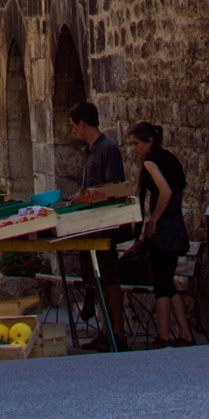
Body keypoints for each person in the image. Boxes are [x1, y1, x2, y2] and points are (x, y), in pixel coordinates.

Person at [68, 101, 129, 351]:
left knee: (110, 280)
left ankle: (117, 332)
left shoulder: (108, 149)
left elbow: (114, 188)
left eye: (74, 127)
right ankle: (106, 330)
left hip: (106, 228)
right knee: (97, 280)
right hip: (91, 226)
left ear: (83, 124)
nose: (73, 132)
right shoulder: (91, 151)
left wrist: (87, 196)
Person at [129, 121, 195, 347]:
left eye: (136, 144)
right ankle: (185, 334)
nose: (134, 149)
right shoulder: (170, 159)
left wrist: (153, 221)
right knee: (167, 282)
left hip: (164, 229)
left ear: (150, 142)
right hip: (176, 227)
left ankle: (164, 336)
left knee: (161, 283)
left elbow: (165, 192)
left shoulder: (151, 162)